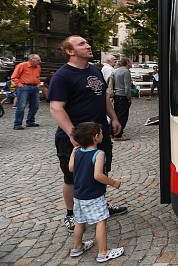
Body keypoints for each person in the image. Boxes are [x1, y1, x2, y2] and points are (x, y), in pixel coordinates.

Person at [48, 35, 127, 232]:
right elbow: (56, 108)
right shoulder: (62, 76)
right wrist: (72, 134)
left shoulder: (95, 70)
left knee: (101, 171)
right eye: (81, 43)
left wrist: (114, 118)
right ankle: (71, 214)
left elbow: (104, 97)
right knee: (72, 177)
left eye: (87, 42)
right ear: (70, 51)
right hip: (75, 138)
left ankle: (99, 205)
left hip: (100, 134)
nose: (88, 45)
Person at [68, 122, 124, 262]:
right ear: (96, 137)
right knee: (101, 220)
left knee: (80, 221)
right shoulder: (99, 153)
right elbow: (98, 175)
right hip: (93, 195)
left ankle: (77, 247)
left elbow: (71, 168)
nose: (103, 135)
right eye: (101, 133)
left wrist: (72, 154)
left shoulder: (78, 151)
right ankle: (103, 252)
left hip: (79, 195)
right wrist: (113, 182)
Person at [11, 54, 41, 130]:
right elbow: (14, 77)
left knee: (35, 106)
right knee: (21, 106)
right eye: (38, 60)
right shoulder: (22, 65)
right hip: (24, 87)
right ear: (31, 60)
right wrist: (20, 85)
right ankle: (17, 124)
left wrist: (38, 84)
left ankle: (30, 122)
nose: (39, 61)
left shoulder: (38, 67)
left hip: (35, 88)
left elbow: (37, 77)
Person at [111, 58, 133, 141]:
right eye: (131, 61)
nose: (132, 63)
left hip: (116, 95)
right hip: (123, 96)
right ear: (127, 62)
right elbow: (127, 87)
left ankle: (112, 132)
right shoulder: (126, 71)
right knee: (123, 116)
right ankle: (118, 135)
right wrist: (129, 98)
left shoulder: (116, 70)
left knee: (116, 114)